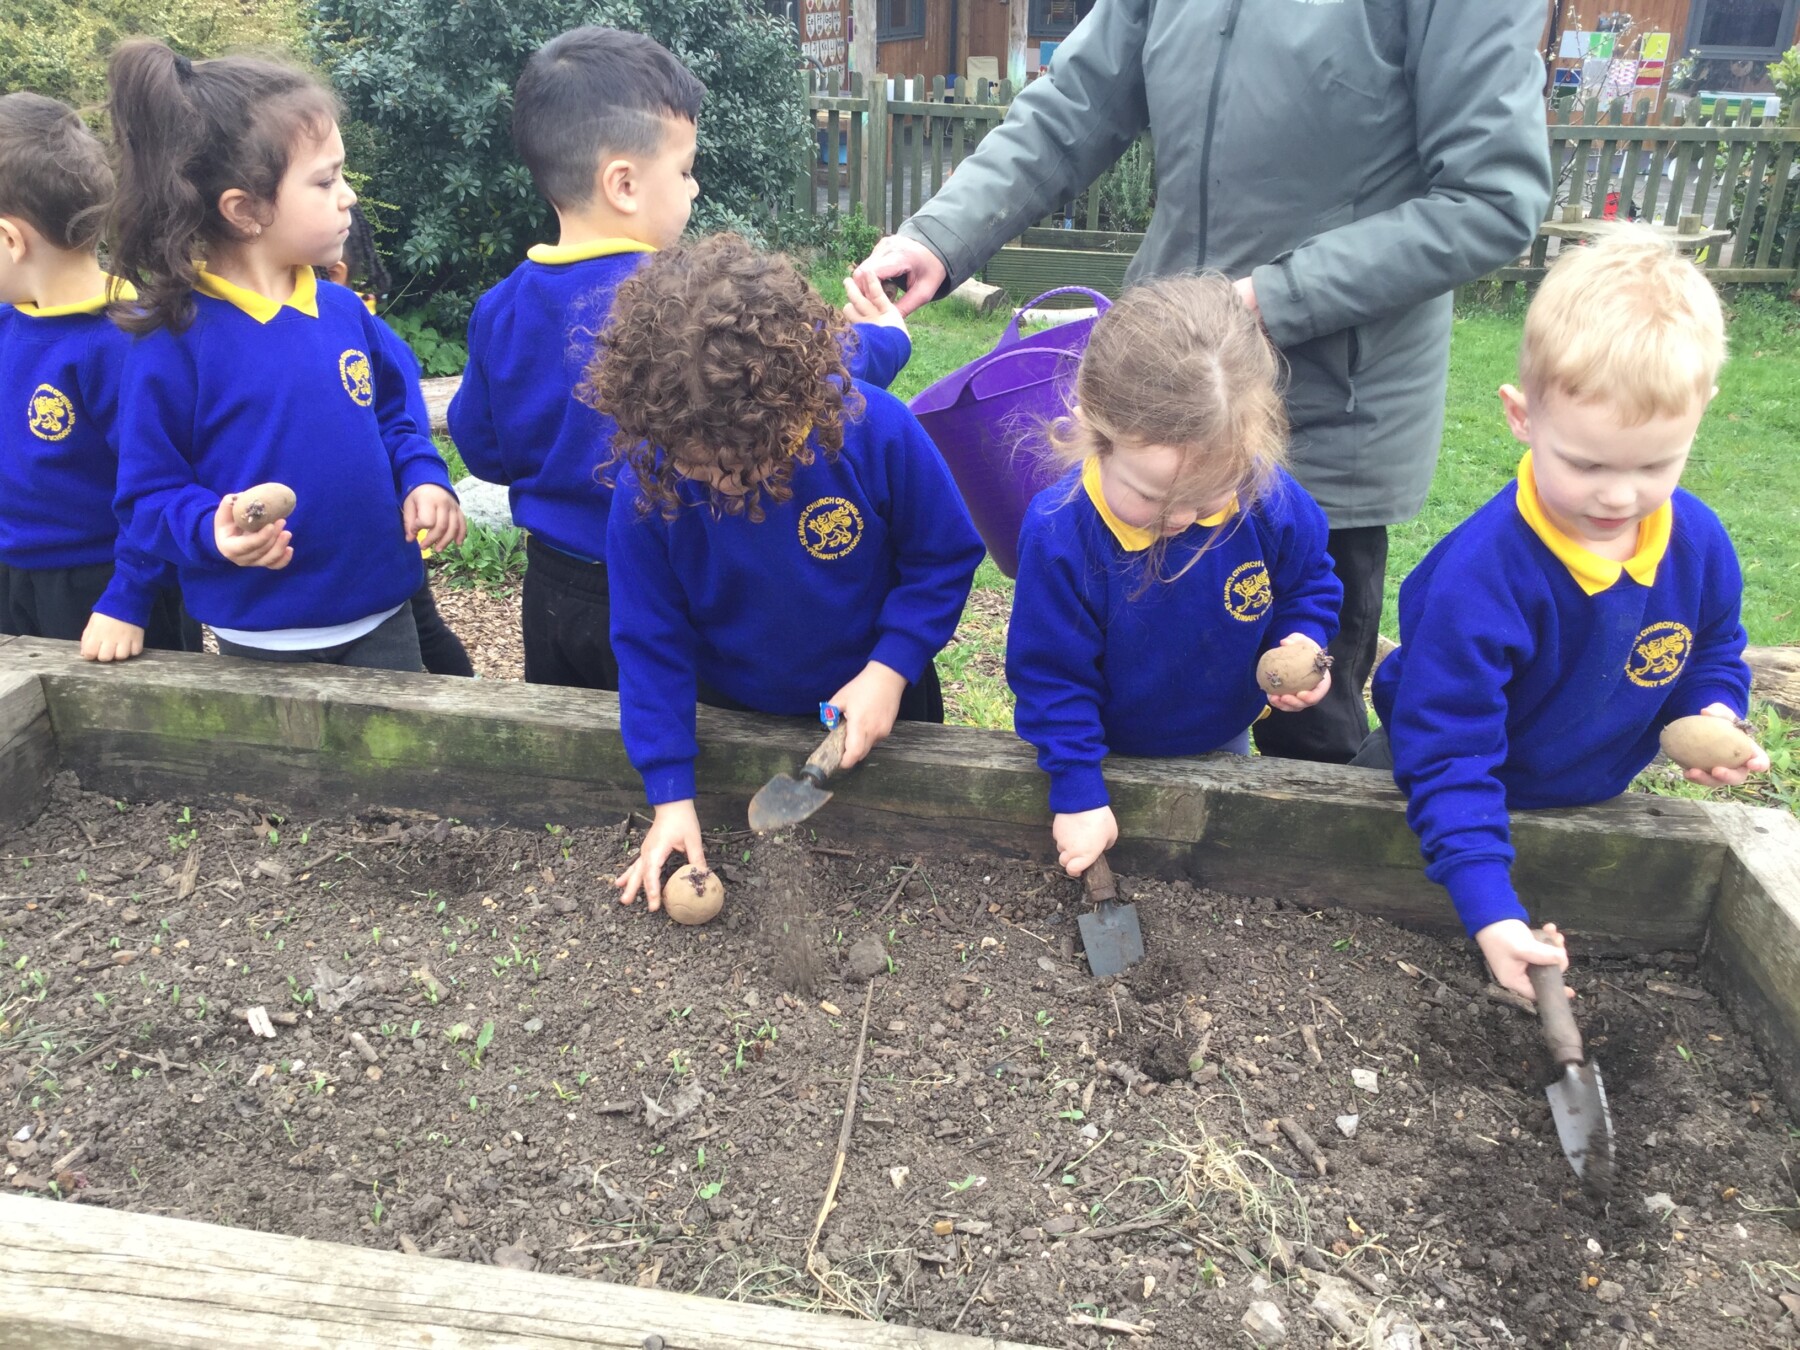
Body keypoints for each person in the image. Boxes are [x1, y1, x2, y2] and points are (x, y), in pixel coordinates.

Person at [853, 0, 1553, 764]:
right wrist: (944, 233)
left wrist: (1273, 298)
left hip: (1328, 409)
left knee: (1308, 731)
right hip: (1159, 391)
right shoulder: (1072, 522)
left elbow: (1493, 199)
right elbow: (1075, 104)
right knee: (1122, 682)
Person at [450, 26, 912, 693]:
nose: (694, 190)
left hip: (554, 590)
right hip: (671, 578)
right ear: (624, 183)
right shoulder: (689, 304)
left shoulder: (500, 307)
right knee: (680, 727)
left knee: (569, 738)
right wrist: (888, 338)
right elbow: (800, 376)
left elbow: (482, 449)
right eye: (686, 170)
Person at [1367, 233, 1766, 1000]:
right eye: (1585, 463)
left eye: (1655, 464)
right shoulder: (1480, 578)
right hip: (1439, 784)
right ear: (1523, 416)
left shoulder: (1698, 544)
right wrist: (1490, 910)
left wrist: (1711, 709)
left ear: (1699, 416)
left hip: (1591, 792)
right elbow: (1447, 752)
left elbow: (1712, 648)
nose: (1618, 496)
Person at [590, 235, 983, 911]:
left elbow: (942, 557)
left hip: (881, 693)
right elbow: (649, 640)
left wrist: (892, 669)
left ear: (799, 406)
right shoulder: (651, 486)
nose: (721, 485)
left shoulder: (876, 433)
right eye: (698, 468)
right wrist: (670, 795)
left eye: (743, 468)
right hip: (734, 709)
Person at [105, 41, 465, 672]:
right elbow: (148, 496)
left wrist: (424, 475)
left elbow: (393, 417)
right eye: (326, 181)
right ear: (246, 210)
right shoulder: (174, 344)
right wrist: (212, 529)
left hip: (384, 610)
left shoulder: (344, 310)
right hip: (261, 635)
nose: (348, 196)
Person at [1007, 275, 1342, 878]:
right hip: (1100, 748)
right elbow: (1051, 677)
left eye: (1208, 497)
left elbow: (1309, 580)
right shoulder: (1060, 533)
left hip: (1223, 738)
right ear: (1094, 432)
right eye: (1153, 496)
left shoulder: (1264, 495)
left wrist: (1303, 637)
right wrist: (1078, 791)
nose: (1182, 519)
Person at [0, 93, 195, 660]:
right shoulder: (9, 322)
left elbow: (160, 483)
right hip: (13, 572)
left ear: (10, 239)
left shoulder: (126, 341)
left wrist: (128, 598)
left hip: (106, 587)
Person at [325, 204, 475, 677]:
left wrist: (419, 482)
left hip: (394, 523)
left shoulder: (376, 341)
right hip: (366, 535)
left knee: (423, 627)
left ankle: (469, 698)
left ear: (335, 274)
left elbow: (405, 424)